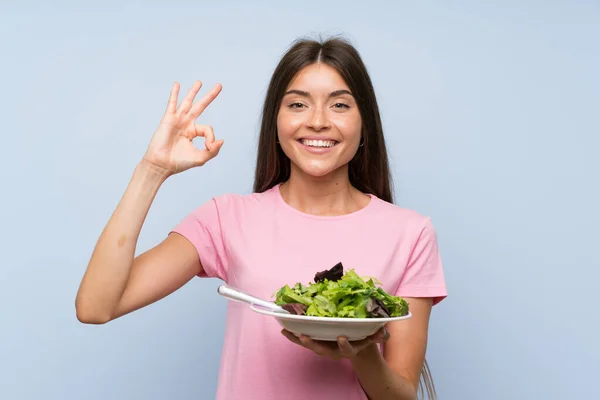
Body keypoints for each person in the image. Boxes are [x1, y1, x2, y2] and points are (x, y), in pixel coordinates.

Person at [75, 36, 447, 400]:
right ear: (276, 122)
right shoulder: (226, 218)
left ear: (365, 124)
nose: (317, 122)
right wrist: (152, 169)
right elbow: (96, 307)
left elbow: (401, 395)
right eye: (298, 105)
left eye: (340, 105)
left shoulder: (410, 233)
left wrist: (363, 350)